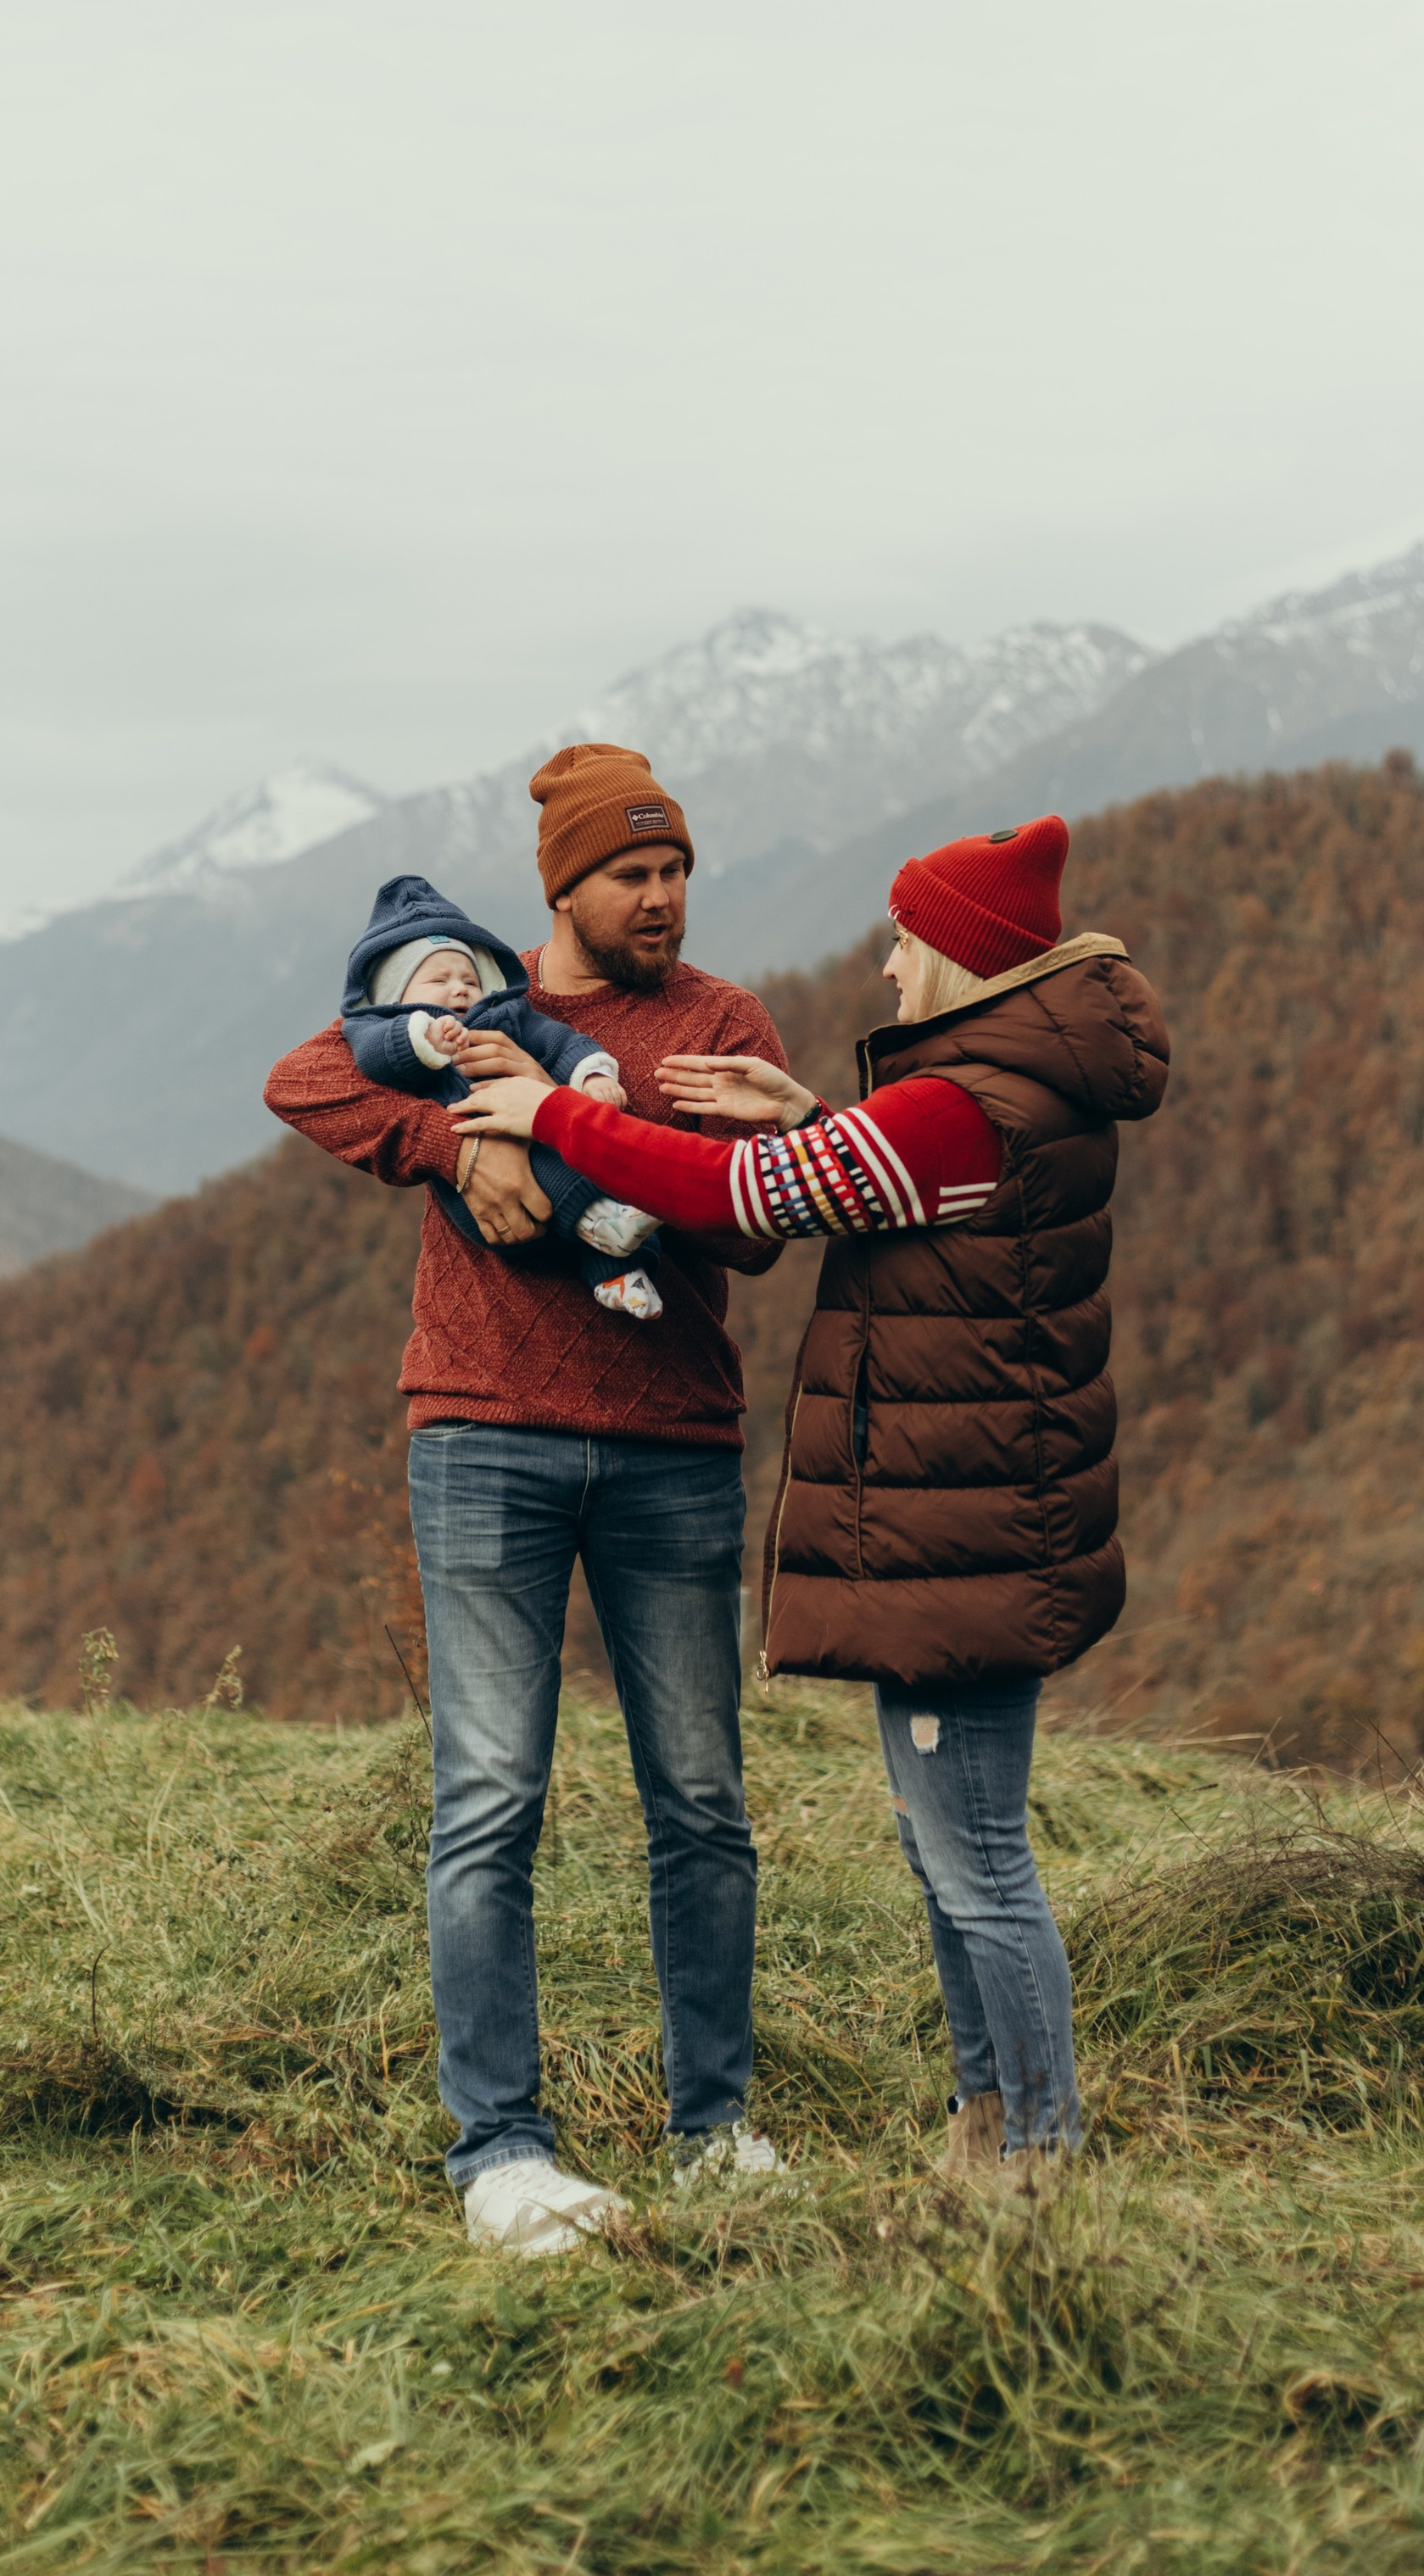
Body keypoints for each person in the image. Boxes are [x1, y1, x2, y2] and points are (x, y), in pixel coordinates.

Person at [450, 812, 1170, 2182]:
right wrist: (828, 1119)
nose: (890, 972)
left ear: (964, 960)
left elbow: (745, 1194)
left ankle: (1043, 2154)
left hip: (958, 1542)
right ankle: (986, 2132)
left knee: (980, 1870)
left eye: (908, 944)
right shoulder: (1009, 1095)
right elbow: (930, 1197)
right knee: (953, 1855)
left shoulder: (956, 1105)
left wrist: (558, 1115)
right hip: (980, 1527)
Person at [264, 744, 790, 2255]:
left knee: (699, 1799)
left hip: (676, 1438)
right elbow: (306, 1073)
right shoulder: (474, 998)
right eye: (633, 874)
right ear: (560, 884)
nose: (663, 898)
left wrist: (575, 1138)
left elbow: (754, 1238)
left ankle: (717, 2129)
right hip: (486, 1433)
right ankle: (501, 2150)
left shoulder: (717, 1022)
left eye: (677, 870)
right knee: (490, 1797)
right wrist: (454, 1144)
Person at [339, 870, 667, 1319]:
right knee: (556, 1170)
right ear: (396, 996)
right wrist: (420, 1037)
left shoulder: (504, 1016)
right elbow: (373, 1055)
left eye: (468, 978)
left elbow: (559, 1041)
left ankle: (618, 1275)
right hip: (484, 1201)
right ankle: (601, 1225)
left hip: (536, 1130)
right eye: (439, 980)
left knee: (596, 1155)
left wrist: (589, 1077)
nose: (459, 988)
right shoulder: (389, 1031)